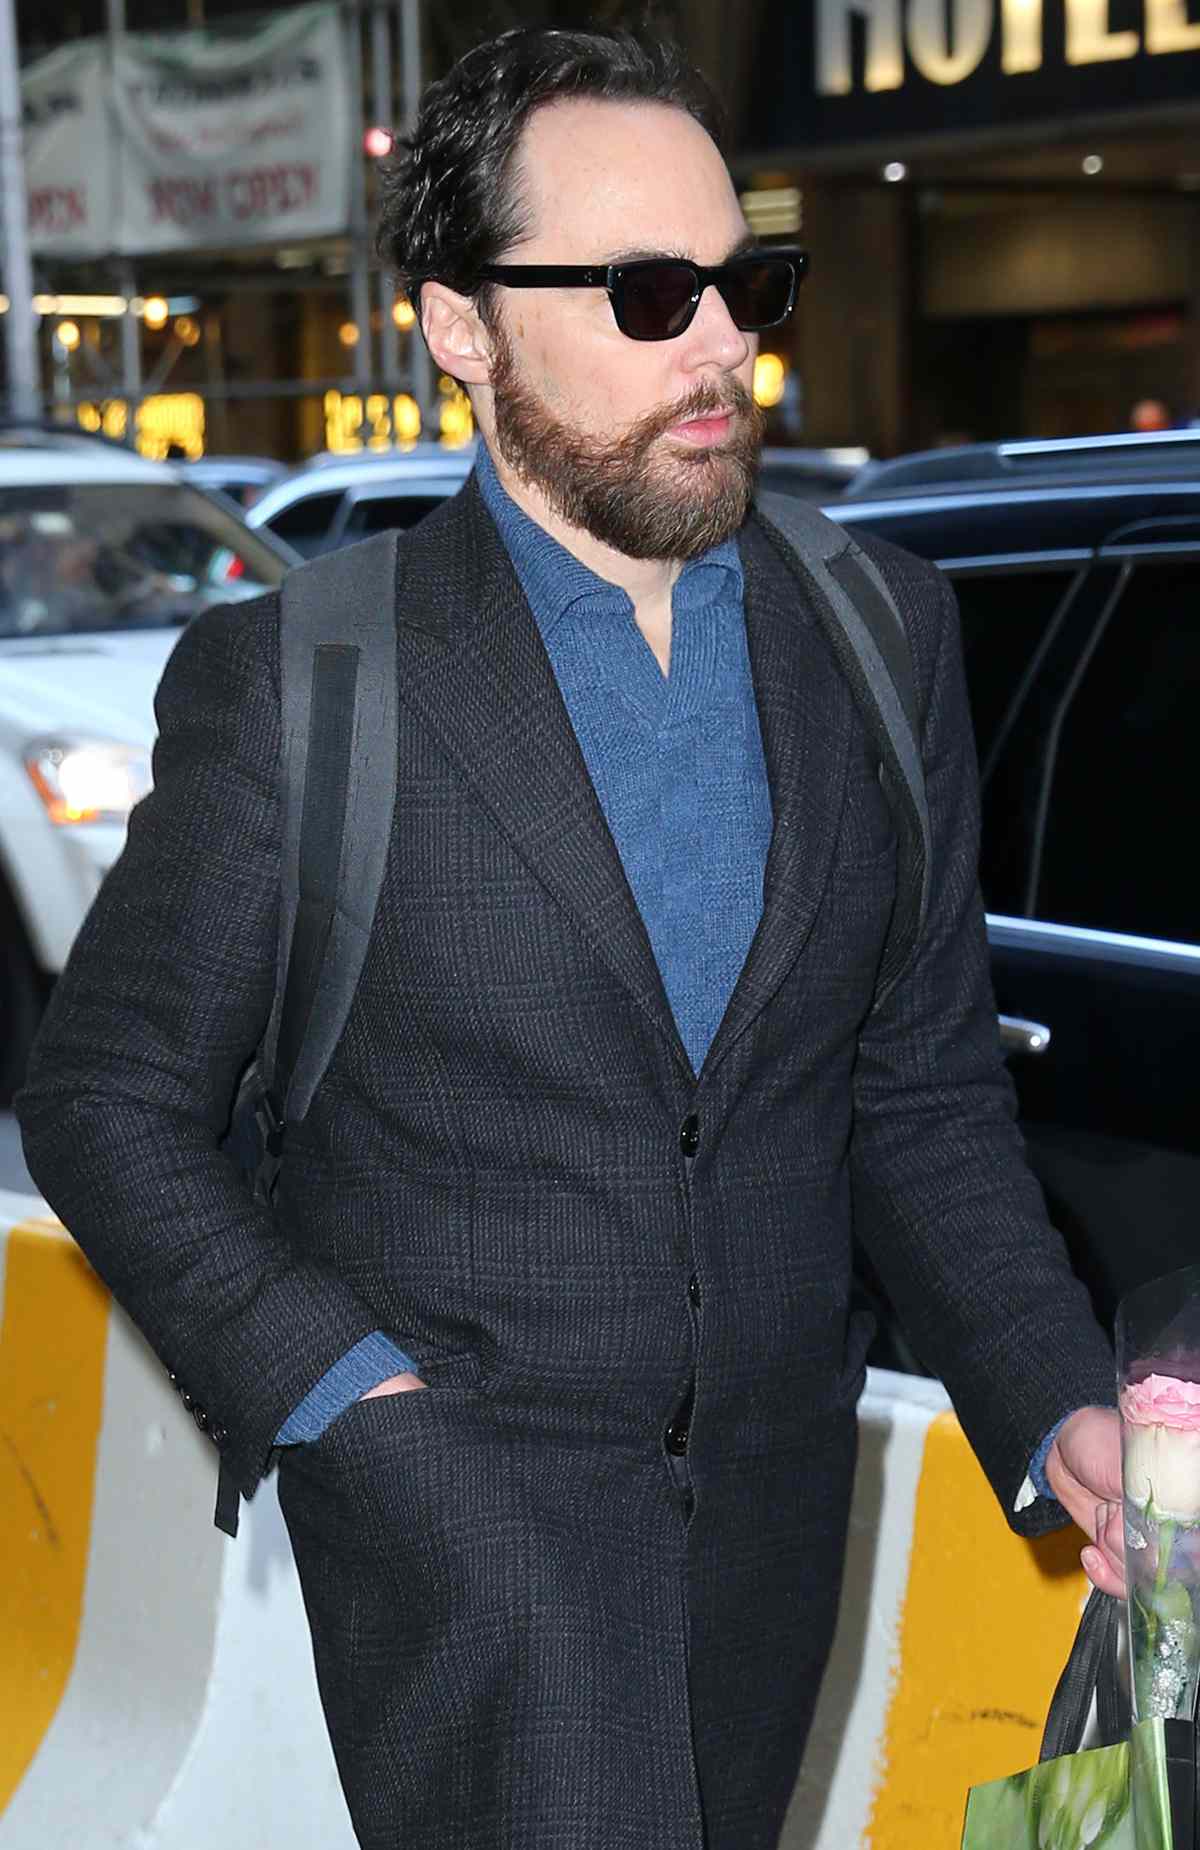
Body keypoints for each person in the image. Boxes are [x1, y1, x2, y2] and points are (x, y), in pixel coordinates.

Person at [17, 26, 1124, 1850]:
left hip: (773, 1536)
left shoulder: (878, 632)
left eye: (745, 281)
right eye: (645, 292)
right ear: (463, 328)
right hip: (465, 1541)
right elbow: (108, 1100)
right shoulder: (309, 682)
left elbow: (918, 1094)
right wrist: (342, 1393)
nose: (724, 347)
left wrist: (1049, 1395)